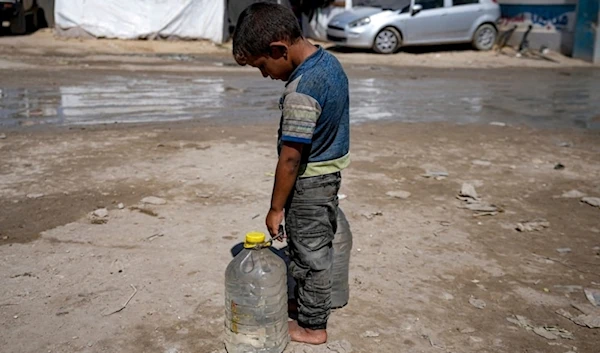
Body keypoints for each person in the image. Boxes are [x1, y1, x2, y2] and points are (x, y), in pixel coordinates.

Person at [232, 2, 350, 345]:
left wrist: (275, 208)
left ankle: (313, 326)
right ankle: (306, 302)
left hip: (310, 182)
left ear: (278, 49)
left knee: (310, 253)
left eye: (262, 66)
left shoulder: (301, 91)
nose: (265, 75)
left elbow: (290, 159)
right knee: (308, 245)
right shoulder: (329, 64)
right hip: (328, 174)